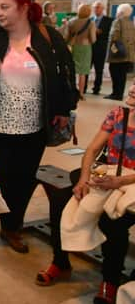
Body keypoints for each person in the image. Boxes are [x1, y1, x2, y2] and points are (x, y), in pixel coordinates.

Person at [0, 0, 77, 259]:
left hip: (34, 128)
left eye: (5, 7)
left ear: (24, 8)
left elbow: (65, 73)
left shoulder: (46, 37)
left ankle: (12, 227)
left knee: (22, 181)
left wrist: (63, 107)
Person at [70, 82, 135, 304]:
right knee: (65, 197)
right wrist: (83, 179)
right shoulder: (118, 114)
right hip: (111, 177)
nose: (133, 88)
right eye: (134, 82)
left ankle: (111, 281)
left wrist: (120, 181)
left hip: (129, 182)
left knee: (114, 222)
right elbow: (92, 150)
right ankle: (60, 261)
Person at [105, 4, 135, 101]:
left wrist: (112, 50)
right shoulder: (131, 23)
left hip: (118, 53)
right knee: (122, 75)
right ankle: (120, 94)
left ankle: (115, 94)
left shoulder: (117, 21)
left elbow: (114, 36)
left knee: (114, 72)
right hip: (128, 53)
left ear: (120, 12)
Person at [67, 3, 96, 101]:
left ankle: (70, 91)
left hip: (73, 47)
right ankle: (81, 93)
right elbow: (93, 39)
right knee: (82, 73)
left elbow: (66, 36)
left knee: (71, 70)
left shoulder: (71, 21)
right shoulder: (91, 23)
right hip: (85, 48)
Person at [90, 0, 113, 95]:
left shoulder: (109, 20)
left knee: (99, 70)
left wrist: (99, 32)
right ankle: (83, 88)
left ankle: (96, 88)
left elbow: (109, 34)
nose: (96, 9)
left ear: (103, 9)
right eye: (95, 7)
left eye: (98, 7)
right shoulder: (90, 20)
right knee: (87, 68)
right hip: (89, 48)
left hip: (101, 48)